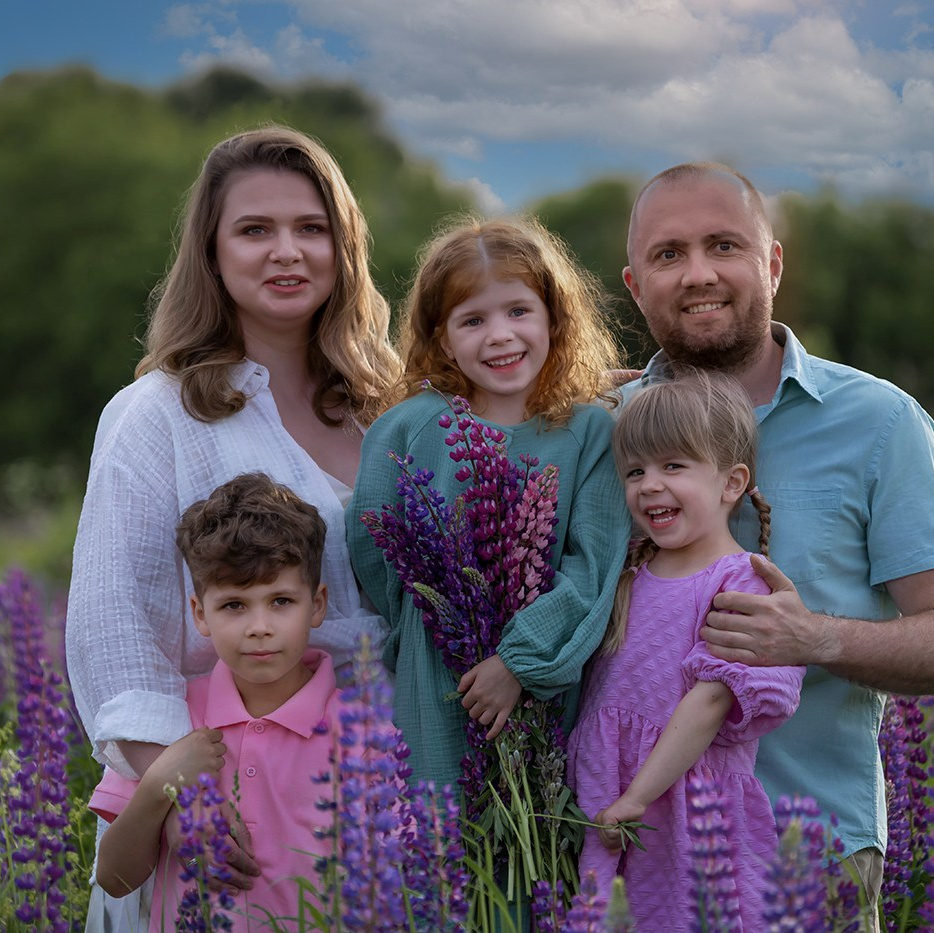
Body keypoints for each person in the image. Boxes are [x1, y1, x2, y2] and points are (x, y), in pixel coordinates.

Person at [64, 125, 400, 930]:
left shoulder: (388, 408)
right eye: (255, 229)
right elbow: (114, 633)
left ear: (345, 248)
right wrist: (186, 799)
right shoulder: (159, 413)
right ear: (211, 253)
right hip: (218, 826)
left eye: (311, 229)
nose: (286, 251)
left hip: (375, 807)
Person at [616, 160, 934, 925]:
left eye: (724, 245)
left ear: (773, 263)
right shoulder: (602, 424)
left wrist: (812, 636)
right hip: (630, 859)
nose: (699, 274)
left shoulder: (880, 421)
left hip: (812, 852)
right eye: (668, 254)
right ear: (635, 285)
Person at [346, 215, 631, 790]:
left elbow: (592, 569)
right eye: (473, 320)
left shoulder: (591, 432)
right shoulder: (409, 428)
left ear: (554, 315)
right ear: (442, 338)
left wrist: (518, 662)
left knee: (538, 853)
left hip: (548, 682)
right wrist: (437, 624)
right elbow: (373, 545)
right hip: (437, 677)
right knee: (441, 851)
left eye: (518, 311)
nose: (500, 335)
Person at [568, 372, 805, 928]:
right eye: (635, 471)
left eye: (673, 466)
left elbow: (710, 703)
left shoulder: (740, 583)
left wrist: (638, 796)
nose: (649, 485)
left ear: (731, 483)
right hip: (606, 790)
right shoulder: (627, 568)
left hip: (685, 803)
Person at [90, 472, 343, 930]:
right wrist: (160, 780)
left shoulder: (361, 731)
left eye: (281, 601)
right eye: (234, 605)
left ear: (318, 604)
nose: (259, 626)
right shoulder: (171, 719)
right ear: (199, 613)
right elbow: (114, 878)